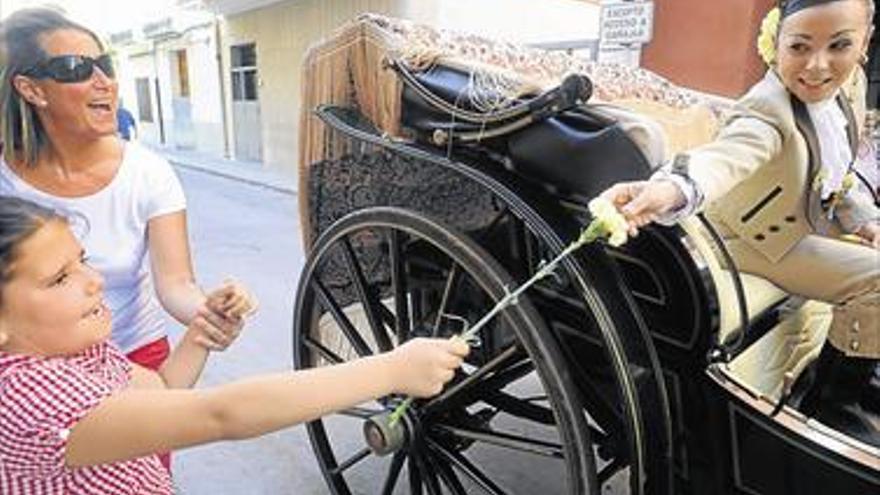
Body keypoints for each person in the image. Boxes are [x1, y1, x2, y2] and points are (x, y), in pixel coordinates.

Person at [0, 196, 470, 494]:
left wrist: (202, 331)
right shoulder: (23, 397)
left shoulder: (72, 350)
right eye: (60, 278)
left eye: (82, 261)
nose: (94, 281)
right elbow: (221, 414)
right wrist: (388, 371)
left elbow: (161, 391)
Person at [600, 0, 880, 445]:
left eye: (840, 45)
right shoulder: (766, 108)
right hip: (752, 239)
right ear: (776, 45)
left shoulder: (850, 88)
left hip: (805, 222)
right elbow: (725, 158)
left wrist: (865, 220)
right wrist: (670, 189)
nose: (818, 66)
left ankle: (855, 373)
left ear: (864, 43)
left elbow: (837, 174)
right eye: (800, 47)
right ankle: (833, 405)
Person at [0, 8, 243, 375]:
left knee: (159, 428)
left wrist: (211, 314)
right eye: (75, 68)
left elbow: (176, 283)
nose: (104, 82)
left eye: (105, 65)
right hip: (34, 367)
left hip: (137, 354)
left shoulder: (148, 172)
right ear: (31, 89)